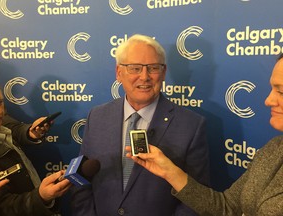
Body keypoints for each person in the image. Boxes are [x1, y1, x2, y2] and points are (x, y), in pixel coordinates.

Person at [126, 54, 283, 215]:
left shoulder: (192, 123)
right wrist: (170, 172)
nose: (269, 100)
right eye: (272, 89)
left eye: (281, 92)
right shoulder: (273, 148)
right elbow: (226, 207)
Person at [71, 34, 210, 216]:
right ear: (119, 73)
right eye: (135, 68)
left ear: (163, 72)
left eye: (153, 68)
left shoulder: (191, 125)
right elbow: (81, 179)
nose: (144, 77)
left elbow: (195, 199)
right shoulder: (97, 117)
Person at [0, 82, 72, 216]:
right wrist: (41, 197)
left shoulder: (1, 123)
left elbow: (13, 128)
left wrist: (31, 132)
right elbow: (3, 208)